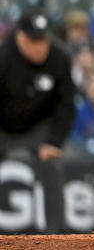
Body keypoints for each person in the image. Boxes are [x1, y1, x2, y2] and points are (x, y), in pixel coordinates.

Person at [0, 13, 77, 232]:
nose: (40, 47)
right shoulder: (3, 58)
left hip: (38, 126)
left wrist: (54, 141)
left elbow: (66, 105)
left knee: (51, 164)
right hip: (3, 126)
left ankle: (57, 233)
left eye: (43, 40)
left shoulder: (59, 58)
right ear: (20, 38)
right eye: (34, 41)